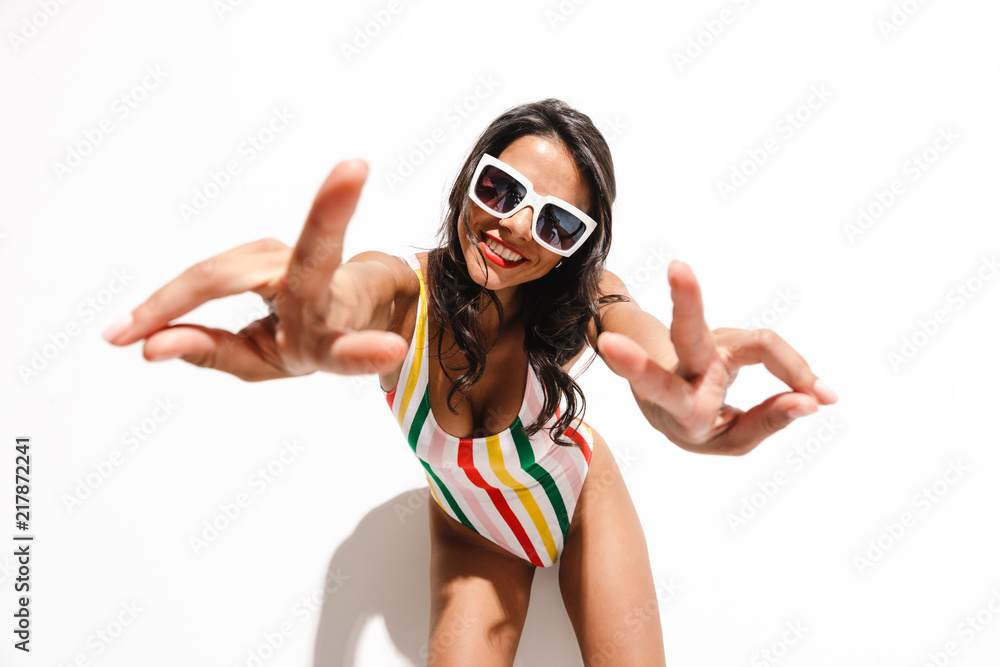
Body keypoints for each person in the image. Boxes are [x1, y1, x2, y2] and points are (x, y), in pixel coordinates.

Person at [102, 99, 837, 665]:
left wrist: (682, 384)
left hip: (583, 501)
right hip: (472, 529)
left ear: (569, 255)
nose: (518, 225)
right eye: (502, 187)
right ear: (469, 180)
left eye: (557, 226)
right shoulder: (400, 292)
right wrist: (317, 314)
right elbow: (356, 288)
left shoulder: (584, 297)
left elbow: (635, 329)